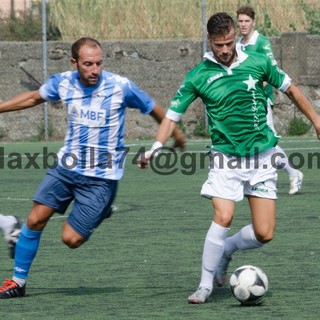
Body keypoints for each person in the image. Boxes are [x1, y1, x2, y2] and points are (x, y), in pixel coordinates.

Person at [140, 12, 320, 304]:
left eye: (228, 42)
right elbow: (172, 116)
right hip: (225, 159)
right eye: (218, 44)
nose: (224, 50)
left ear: (236, 36)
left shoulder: (258, 61)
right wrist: (157, 146)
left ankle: (226, 250)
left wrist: (316, 120)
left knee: (265, 233)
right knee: (223, 216)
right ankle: (204, 285)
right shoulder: (198, 75)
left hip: (261, 156)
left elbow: (292, 90)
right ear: (209, 40)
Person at [0, 37, 185, 299]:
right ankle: (18, 281)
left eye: (98, 63)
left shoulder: (120, 87)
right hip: (67, 168)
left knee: (71, 240)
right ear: (74, 63)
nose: (94, 70)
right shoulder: (62, 82)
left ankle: (102, 208)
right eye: (88, 64)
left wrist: (174, 134)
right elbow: (32, 98)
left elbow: (153, 108)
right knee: (35, 219)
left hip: (101, 178)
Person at [236, 4, 303, 195]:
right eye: (240, 21)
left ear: (253, 22)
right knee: (252, 140)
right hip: (245, 103)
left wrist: (255, 90)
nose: (243, 24)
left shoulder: (262, 43)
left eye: (246, 21)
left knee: (268, 142)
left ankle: (292, 173)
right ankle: (253, 178)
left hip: (260, 100)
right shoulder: (239, 44)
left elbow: (269, 74)